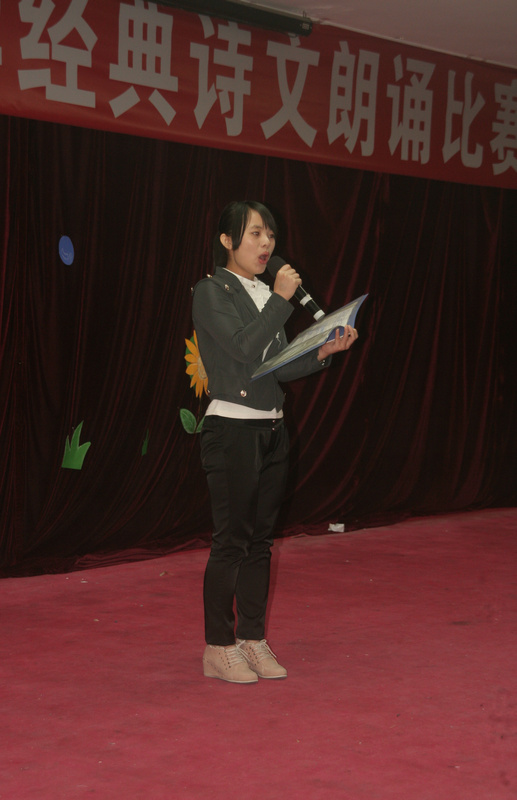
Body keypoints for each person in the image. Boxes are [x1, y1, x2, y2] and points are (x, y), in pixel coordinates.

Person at [192, 200, 358, 684]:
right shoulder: (211, 290)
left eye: (270, 235)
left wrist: (322, 350)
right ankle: (218, 647)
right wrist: (282, 300)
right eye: (255, 234)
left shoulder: (265, 292)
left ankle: (251, 637)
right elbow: (243, 349)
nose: (266, 244)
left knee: (260, 543)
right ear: (227, 241)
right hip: (232, 429)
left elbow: (276, 367)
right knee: (232, 542)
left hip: (272, 428)